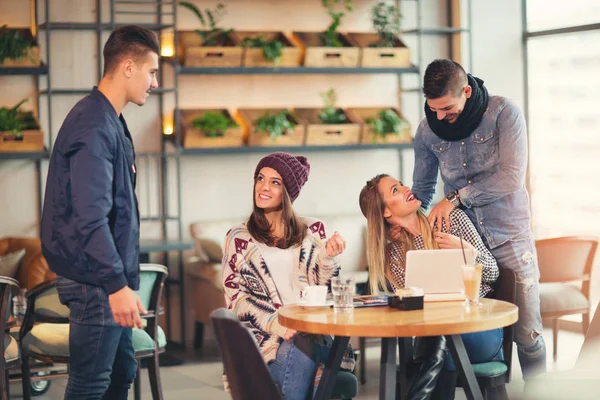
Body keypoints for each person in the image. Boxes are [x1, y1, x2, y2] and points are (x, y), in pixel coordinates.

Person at [40, 25, 159, 399]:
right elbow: (90, 216)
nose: (154, 82)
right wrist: (116, 285)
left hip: (105, 279)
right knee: (90, 383)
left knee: (122, 371)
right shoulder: (93, 126)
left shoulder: (109, 120)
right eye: (151, 71)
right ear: (128, 67)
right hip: (96, 284)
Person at [411, 59, 546, 379]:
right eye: (433, 109)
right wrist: (389, 217)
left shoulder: (504, 113)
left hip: (510, 238)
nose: (439, 117)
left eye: (447, 109)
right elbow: (422, 190)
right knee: (462, 328)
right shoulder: (427, 129)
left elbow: (512, 178)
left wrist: (455, 198)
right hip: (460, 242)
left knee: (527, 335)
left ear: (467, 91)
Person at [222, 152, 353, 400]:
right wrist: (279, 325)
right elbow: (236, 300)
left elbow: (328, 291)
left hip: (315, 334)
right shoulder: (238, 238)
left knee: (305, 340)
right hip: (266, 341)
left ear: (289, 193)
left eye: (275, 182)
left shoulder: (314, 231)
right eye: (260, 178)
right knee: (305, 357)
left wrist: (327, 257)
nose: (263, 187)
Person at [359, 174, 503, 399]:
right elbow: (419, 308)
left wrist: (467, 251)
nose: (407, 187)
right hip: (438, 337)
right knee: (438, 346)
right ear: (386, 212)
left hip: (480, 331)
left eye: (401, 184)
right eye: (395, 190)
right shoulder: (395, 256)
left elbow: (493, 273)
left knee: (431, 351)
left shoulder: (452, 220)